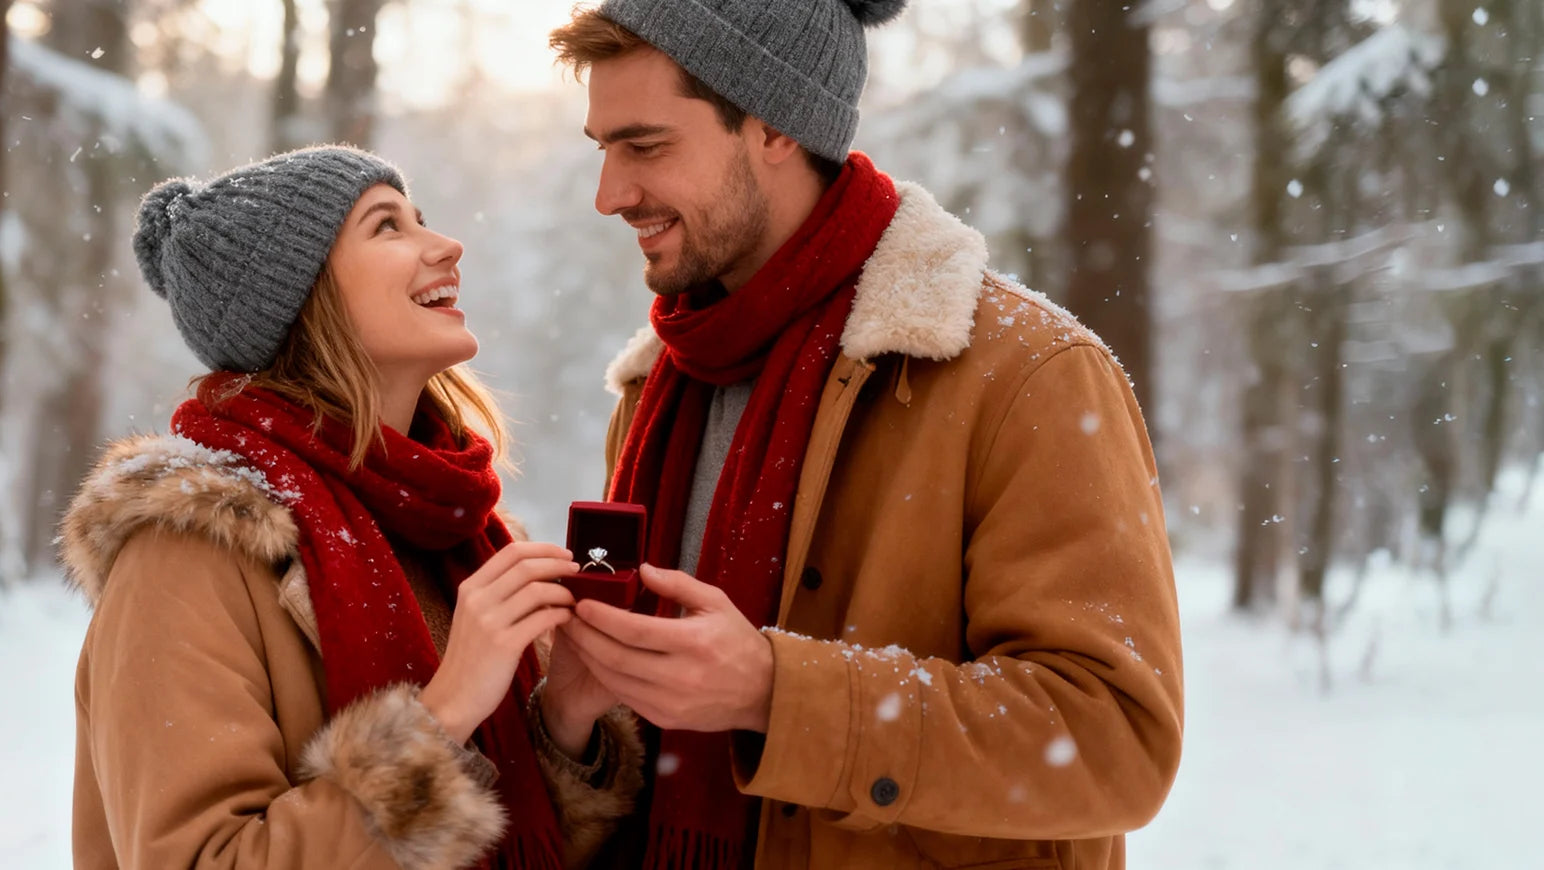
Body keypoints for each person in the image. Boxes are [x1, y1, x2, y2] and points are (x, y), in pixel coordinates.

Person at [544, 2, 1185, 868]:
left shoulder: (1024, 372)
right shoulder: (657, 384)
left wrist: (777, 694)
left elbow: (1113, 739)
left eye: (645, 146)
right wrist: (577, 721)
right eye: (604, 148)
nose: (609, 194)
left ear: (773, 126)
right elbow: (653, 738)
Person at [62, 146, 642, 870]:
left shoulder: (461, 533)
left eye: (421, 218)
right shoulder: (187, 557)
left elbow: (505, 842)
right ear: (302, 297)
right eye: (387, 227)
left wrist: (563, 720)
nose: (447, 245)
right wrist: (445, 713)